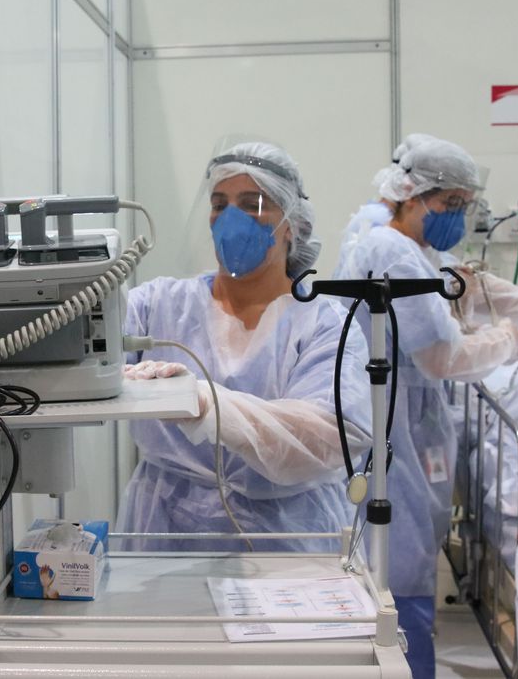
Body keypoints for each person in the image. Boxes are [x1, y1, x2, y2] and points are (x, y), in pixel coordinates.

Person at [333, 136, 518, 678]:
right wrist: (510, 336)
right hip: (395, 422)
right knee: (400, 557)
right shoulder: (390, 249)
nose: (458, 216)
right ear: (413, 196)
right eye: (450, 204)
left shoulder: (409, 247)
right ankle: (405, 666)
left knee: (401, 550)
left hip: (406, 417)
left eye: (464, 205)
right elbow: (439, 355)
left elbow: (463, 285)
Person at [118, 141, 372, 553]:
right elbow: (87, 364)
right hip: (165, 531)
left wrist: (207, 405)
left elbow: (326, 437)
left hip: (289, 535)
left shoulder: (324, 324)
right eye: (219, 204)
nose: (230, 219)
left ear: (292, 223)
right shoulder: (158, 305)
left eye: (252, 204)